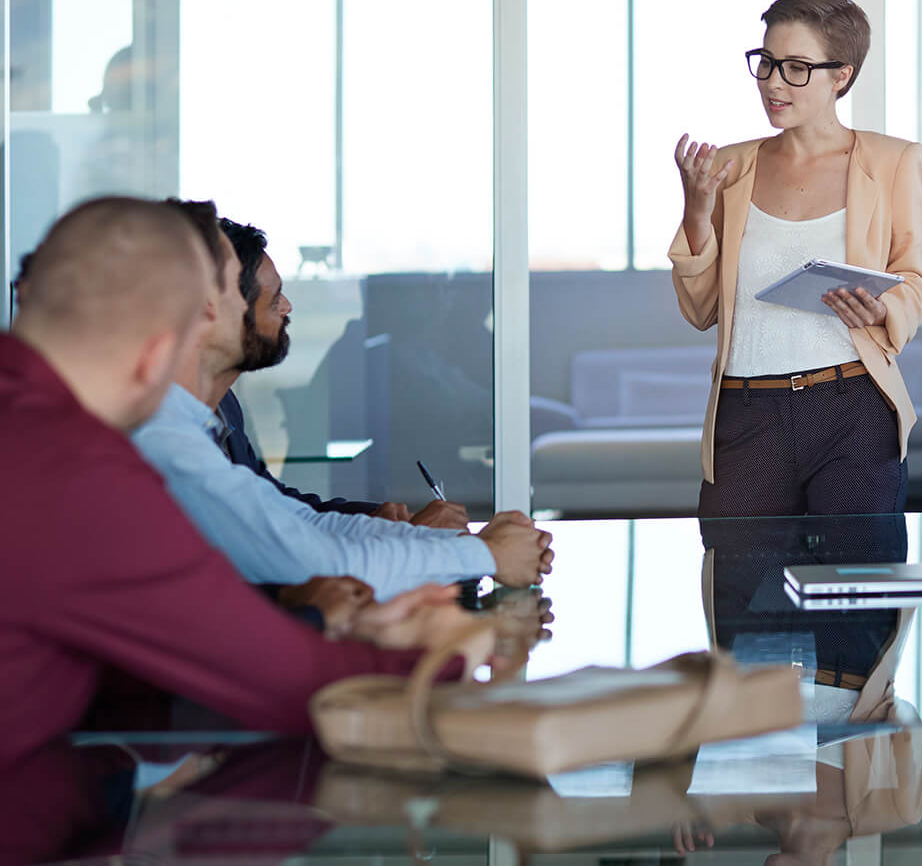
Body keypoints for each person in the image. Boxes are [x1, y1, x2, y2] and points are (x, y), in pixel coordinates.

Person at [0, 197, 516, 765]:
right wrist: (452, 653)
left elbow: (132, 648)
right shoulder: (88, 466)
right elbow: (290, 684)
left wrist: (313, 619)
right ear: (159, 353)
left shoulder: (38, 432)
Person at [130, 201, 553, 602]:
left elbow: (289, 517)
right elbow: (311, 558)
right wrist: (488, 555)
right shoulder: (161, 439)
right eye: (268, 295)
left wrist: (426, 538)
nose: (287, 305)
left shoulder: (205, 416)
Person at [670, 0, 922, 518]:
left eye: (795, 68)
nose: (772, 83)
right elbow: (701, 312)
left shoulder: (893, 161)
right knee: (739, 587)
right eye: (765, 63)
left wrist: (883, 309)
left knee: (859, 589)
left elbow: (912, 277)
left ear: (842, 76)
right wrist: (697, 209)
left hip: (853, 405)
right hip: (746, 412)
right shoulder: (727, 167)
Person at [215, 217, 463, 525]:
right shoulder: (170, 428)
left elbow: (272, 502)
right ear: (220, 311)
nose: (287, 307)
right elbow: (247, 536)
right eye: (274, 298)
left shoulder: (224, 404)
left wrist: (375, 518)